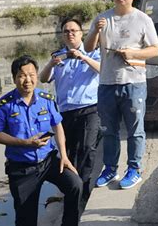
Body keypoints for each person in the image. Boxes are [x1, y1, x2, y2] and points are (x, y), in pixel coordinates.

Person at [84, 0, 158, 190]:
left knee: (135, 129)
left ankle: (134, 169)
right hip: (107, 83)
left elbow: (155, 50)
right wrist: (96, 31)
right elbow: (88, 48)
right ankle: (109, 169)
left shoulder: (143, 19)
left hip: (134, 83)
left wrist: (132, 53)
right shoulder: (102, 18)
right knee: (109, 130)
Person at [0, 55, 82, 226]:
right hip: (22, 168)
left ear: (37, 76)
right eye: (22, 75)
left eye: (31, 75)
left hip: (48, 161)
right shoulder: (5, 104)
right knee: (26, 218)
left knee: (75, 184)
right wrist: (24, 143)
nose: (27, 80)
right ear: (14, 78)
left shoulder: (46, 99)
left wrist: (64, 156)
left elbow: (57, 126)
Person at [39, 18, 101, 215]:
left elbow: (102, 70)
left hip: (89, 109)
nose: (70, 34)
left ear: (81, 33)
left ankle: (82, 191)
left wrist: (83, 57)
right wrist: (51, 63)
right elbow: (43, 78)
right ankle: (72, 188)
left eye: (74, 31)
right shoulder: (58, 57)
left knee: (87, 148)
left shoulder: (93, 52)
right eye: (66, 31)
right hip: (65, 113)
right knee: (69, 152)